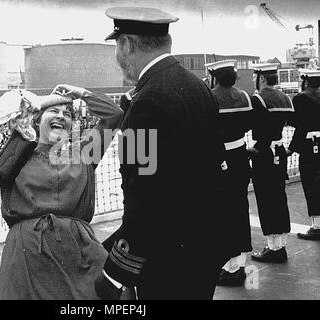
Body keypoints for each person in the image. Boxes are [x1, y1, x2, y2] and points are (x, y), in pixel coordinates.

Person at [95, 7, 234, 300]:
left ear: (127, 44)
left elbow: (142, 194)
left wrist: (117, 271)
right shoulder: (196, 86)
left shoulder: (144, 103)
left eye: (117, 47)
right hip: (204, 245)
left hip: (167, 258)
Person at [0, 87, 123, 299]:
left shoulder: (83, 153)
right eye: (53, 111)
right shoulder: (14, 157)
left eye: (68, 114)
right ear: (37, 119)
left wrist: (80, 93)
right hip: (29, 259)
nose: (61, 116)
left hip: (80, 256)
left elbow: (114, 115)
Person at [205, 59, 261, 286]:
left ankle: (230, 268)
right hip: (240, 157)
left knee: (221, 213)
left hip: (219, 161)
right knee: (240, 208)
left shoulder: (210, 97)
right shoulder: (245, 97)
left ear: (215, 77)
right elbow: (248, 124)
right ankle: (240, 261)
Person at [249, 63, 294, 263]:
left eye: (255, 77)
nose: (253, 80)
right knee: (278, 197)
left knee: (266, 199)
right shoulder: (284, 98)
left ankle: (272, 248)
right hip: (280, 151)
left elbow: (249, 125)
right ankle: (280, 245)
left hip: (264, 152)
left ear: (263, 79)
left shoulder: (258, 99)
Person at [288, 69, 320, 240]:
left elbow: (298, 125)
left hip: (309, 145)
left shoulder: (301, 98)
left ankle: (316, 226)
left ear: (306, 82)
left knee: (311, 185)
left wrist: (292, 148)